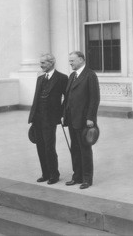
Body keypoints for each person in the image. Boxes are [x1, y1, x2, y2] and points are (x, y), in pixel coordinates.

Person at [62, 51, 100, 190]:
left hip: (84, 120)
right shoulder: (72, 76)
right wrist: (63, 114)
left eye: (72, 60)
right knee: (75, 149)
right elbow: (68, 98)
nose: (70, 63)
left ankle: (87, 179)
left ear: (81, 60)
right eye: (69, 60)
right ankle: (76, 176)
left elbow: (94, 98)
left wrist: (91, 118)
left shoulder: (90, 75)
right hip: (72, 119)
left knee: (85, 149)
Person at [28, 53, 68, 185]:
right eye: (41, 63)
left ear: (51, 63)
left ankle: (54, 174)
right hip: (38, 118)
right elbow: (35, 99)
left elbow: (67, 98)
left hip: (50, 119)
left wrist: (60, 114)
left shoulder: (62, 78)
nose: (41, 65)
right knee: (40, 147)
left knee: (49, 147)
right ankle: (45, 174)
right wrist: (32, 118)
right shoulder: (40, 78)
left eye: (43, 63)